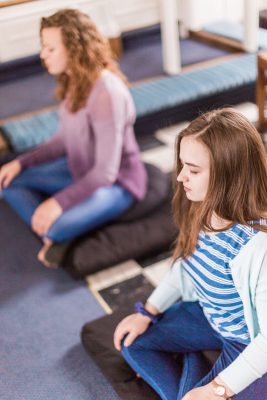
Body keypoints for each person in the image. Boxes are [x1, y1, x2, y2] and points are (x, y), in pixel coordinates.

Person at [114, 108, 267, 400]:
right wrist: (149, 311)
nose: (181, 176)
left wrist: (217, 389)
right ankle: (193, 368)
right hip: (209, 317)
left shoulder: (259, 246)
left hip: (247, 341)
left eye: (193, 170)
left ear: (229, 175)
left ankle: (193, 376)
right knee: (131, 342)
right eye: (182, 165)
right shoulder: (201, 208)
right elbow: (186, 266)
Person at [0, 9, 147, 267]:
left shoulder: (107, 93)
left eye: (50, 48)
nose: (42, 55)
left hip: (117, 185)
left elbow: (105, 173)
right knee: (7, 181)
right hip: (80, 170)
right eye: (43, 47)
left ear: (74, 48)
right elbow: (63, 140)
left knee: (55, 227)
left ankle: (58, 234)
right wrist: (20, 163)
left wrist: (57, 203)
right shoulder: (75, 81)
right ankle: (56, 230)